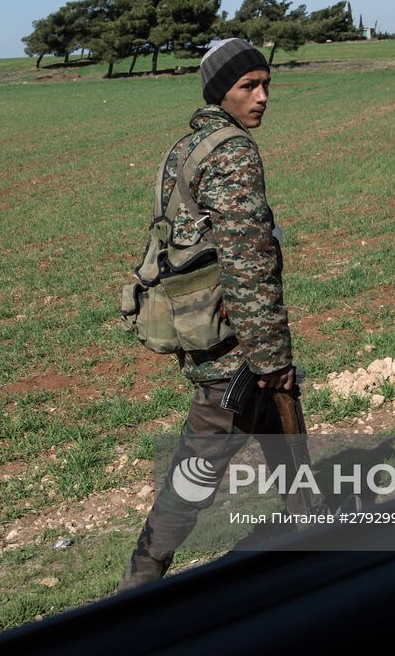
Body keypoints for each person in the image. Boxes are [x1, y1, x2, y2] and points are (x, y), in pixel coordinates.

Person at [118, 37, 310, 592]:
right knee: (197, 469)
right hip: (236, 352)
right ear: (220, 92)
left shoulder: (186, 149)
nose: (263, 96)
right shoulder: (233, 153)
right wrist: (272, 357)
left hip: (210, 330)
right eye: (249, 86)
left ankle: (311, 537)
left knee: (284, 435)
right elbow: (247, 263)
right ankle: (141, 578)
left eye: (266, 84)